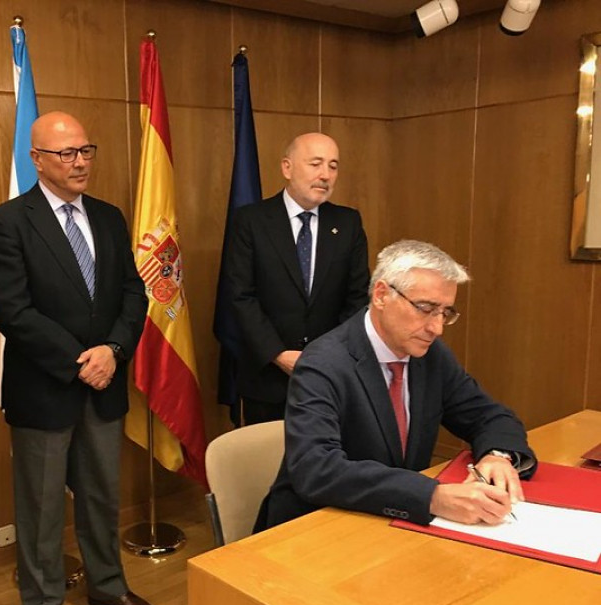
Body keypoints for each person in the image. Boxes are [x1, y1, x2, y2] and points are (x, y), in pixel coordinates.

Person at [0, 112, 156, 605]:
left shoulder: (108, 217)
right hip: (45, 387)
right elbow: (12, 310)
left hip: (104, 382)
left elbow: (134, 293)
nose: (79, 162)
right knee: (39, 505)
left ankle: (107, 585)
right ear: (36, 159)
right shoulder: (8, 221)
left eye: (86, 150)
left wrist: (113, 351)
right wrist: (78, 361)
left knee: (102, 494)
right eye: (66, 153)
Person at [255, 240, 537, 531]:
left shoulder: (431, 356)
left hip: (388, 522)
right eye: (425, 308)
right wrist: (432, 497)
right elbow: (317, 469)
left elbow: (489, 415)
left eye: (445, 313)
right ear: (381, 295)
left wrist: (498, 456)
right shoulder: (323, 363)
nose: (436, 328)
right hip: (313, 528)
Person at [225, 132, 370, 425]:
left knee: (326, 464)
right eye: (316, 164)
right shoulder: (251, 221)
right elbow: (240, 296)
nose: (325, 175)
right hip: (266, 377)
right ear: (287, 168)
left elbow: (357, 298)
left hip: (330, 375)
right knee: (266, 466)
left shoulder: (348, 223)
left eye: (333, 165)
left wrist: (326, 356)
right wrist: (278, 354)